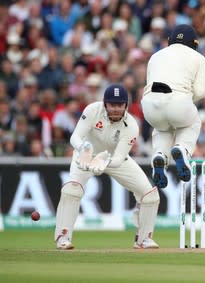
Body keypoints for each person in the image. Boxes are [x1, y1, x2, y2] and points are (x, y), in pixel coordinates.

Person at [54, 84, 160, 250]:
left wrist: (104, 162)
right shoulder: (92, 110)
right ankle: (63, 237)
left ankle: (143, 239)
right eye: (112, 104)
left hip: (112, 159)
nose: (116, 109)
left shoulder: (131, 126)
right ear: (105, 104)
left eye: (120, 105)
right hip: (85, 155)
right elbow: (75, 137)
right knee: (72, 189)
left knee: (149, 195)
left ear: (126, 105)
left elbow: (118, 158)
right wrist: (84, 149)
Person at [141, 24, 205, 188]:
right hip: (178, 101)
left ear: (170, 40)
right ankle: (183, 149)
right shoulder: (198, 57)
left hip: (149, 105)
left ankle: (159, 155)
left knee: (162, 127)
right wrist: (185, 98)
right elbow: (200, 92)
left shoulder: (155, 56)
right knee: (193, 121)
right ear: (194, 43)